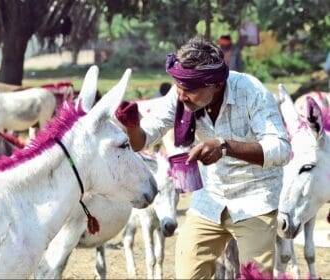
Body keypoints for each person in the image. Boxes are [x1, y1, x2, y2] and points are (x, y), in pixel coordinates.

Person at [115, 36, 291, 279]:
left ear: (216, 84)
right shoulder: (181, 95)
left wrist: (225, 146)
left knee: (256, 276)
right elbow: (142, 140)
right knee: (188, 272)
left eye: (189, 89)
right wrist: (132, 126)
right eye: (178, 86)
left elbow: (281, 149)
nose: (182, 94)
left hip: (256, 199)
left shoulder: (252, 92)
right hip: (210, 198)